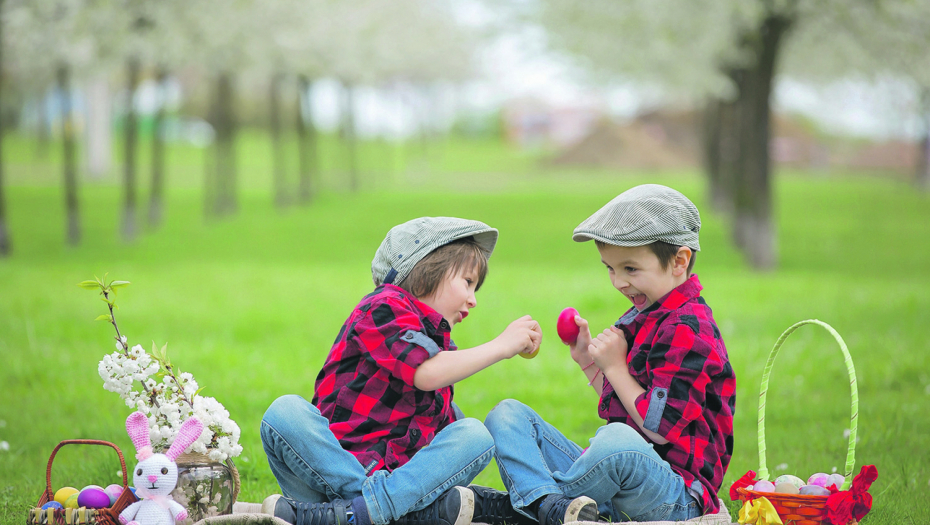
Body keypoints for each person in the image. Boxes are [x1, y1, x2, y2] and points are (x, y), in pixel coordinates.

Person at [261, 217, 587, 525]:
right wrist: (502, 346)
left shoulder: (439, 349)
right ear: (427, 268)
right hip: (332, 471)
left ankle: (352, 514)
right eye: (468, 282)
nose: (473, 300)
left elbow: (440, 422)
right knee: (284, 413)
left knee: (473, 434)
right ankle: (383, 511)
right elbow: (427, 373)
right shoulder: (383, 305)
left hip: (338, 503)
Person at [485, 184, 736, 522]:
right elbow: (628, 399)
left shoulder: (690, 330)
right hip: (622, 481)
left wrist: (616, 366)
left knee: (615, 440)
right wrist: (590, 363)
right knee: (507, 416)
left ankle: (528, 507)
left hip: (676, 494)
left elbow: (658, 428)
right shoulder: (645, 313)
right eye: (610, 268)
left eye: (630, 269)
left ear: (679, 261)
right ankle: (552, 508)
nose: (618, 282)